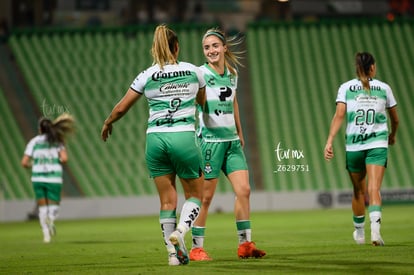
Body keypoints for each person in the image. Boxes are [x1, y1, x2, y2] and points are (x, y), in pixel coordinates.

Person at [101, 24, 206, 266]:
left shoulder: (146, 75)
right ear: (177, 47)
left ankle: (172, 256)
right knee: (195, 195)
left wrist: (108, 122)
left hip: (155, 140)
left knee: (167, 202)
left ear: (154, 49)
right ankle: (180, 233)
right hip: (183, 136)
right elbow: (202, 102)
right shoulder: (193, 71)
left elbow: (121, 108)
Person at [189, 28, 266, 261]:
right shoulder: (200, 73)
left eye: (214, 46)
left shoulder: (232, 73)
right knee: (206, 198)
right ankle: (196, 248)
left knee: (244, 190)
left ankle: (245, 244)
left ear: (224, 48)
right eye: (206, 47)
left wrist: (240, 132)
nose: (211, 50)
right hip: (210, 143)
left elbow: (233, 103)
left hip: (231, 142)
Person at [324, 52, 399, 246]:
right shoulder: (384, 88)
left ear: (357, 68)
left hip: (354, 145)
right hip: (377, 144)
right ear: (372, 67)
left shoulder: (346, 88)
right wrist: (392, 134)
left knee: (358, 190)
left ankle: (359, 233)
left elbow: (339, 115)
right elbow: (395, 119)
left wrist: (330, 140)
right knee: (374, 188)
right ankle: (375, 232)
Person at [21, 113, 75, 243]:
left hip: (38, 178)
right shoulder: (57, 141)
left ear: (40, 129)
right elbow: (64, 159)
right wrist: (56, 159)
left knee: (42, 207)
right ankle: (51, 219)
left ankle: (46, 236)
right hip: (54, 177)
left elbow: (24, 162)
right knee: (54, 204)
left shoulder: (34, 142)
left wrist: (33, 164)